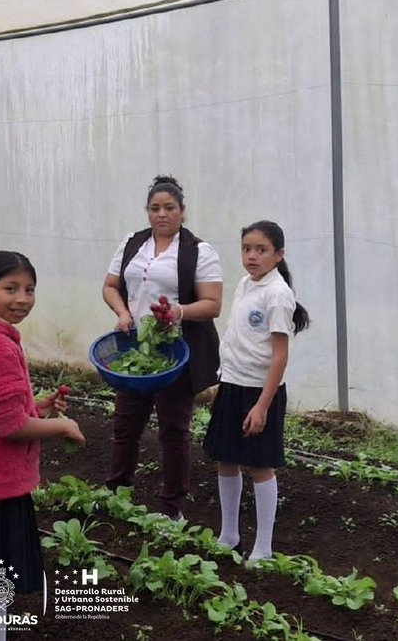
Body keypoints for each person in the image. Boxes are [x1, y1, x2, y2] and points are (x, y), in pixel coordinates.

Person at [0, 251, 85, 641]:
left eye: (29, 289)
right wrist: (62, 425)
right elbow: (11, 428)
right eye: (11, 289)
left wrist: (36, 407)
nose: (23, 298)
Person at [101, 174, 223, 519]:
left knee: (173, 429)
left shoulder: (199, 251)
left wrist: (178, 312)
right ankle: (116, 493)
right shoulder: (132, 244)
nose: (162, 214)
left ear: (182, 211)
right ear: (147, 211)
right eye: (155, 208)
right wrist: (123, 312)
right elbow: (110, 286)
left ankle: (172, 508)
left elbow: (212, 304)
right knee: (125, 425)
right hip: (137, 352)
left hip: (176, 352)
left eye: (169, 208)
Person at [201, 220, 309, 561]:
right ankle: (229, 535)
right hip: (233, 385)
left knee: (260, 466)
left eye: (261, 250)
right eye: (247, 248)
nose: (251, 256)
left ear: (278, 255)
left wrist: (262, 405)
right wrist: (223, 382)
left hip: (260, 392)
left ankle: (263, 547)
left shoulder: (278, 295)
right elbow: (236, 339)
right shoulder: (247, 284)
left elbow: (280, 356)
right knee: (226, 460)